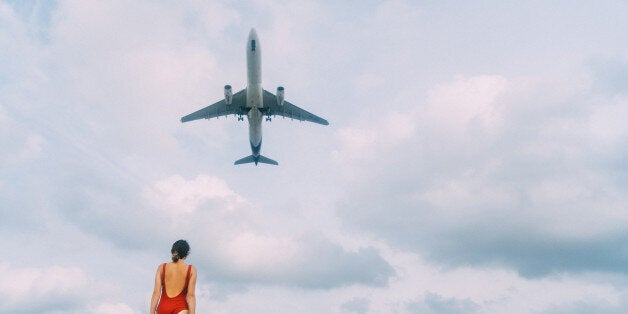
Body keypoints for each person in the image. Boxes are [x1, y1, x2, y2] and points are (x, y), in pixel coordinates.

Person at [150, 240, 197, 314]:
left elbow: (156, 293)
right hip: (181, 309)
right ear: (187, 253)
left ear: (172, 251)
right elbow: (191, 296)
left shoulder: (162, 267)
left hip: (163, 308)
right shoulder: (191, 270)